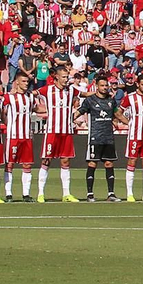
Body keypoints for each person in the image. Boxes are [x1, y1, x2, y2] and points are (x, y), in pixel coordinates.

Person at [36, 66, 80, 203]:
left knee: (65, 161)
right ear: (57, 77)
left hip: (66, 131)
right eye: (64, 77)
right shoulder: (47, 89)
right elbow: (33, 93)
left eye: (67, 77)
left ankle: (66, 193)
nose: (66, 80)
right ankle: (40, 193)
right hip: (52, 131)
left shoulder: (71, 90)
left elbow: (83, 94)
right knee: (46, 160)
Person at [78, 76, 120, 203]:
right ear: (97, 86)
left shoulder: (111, 101)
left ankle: (111, 194)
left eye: (106, 85)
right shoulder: (90, 100)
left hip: (108, 137)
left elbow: (117, 114)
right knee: (92, 163)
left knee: (109, 163)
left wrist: (130, 123)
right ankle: (90, 194)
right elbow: (80, 111)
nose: (105, 88)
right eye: (102, 85)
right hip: (95, 137)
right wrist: (69, 119)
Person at [3, 73, 36, 202]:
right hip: (13, 136)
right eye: (23, 81)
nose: (26, 83)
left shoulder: (30, 97)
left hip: (26, 136)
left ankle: (26, 194)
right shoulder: (9, 98)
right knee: (10, 164)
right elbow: (2, 112)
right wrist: (8, 124)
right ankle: (8, 193)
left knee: (27, 165)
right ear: (17, 82)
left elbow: (35, 109)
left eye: (27, 81)